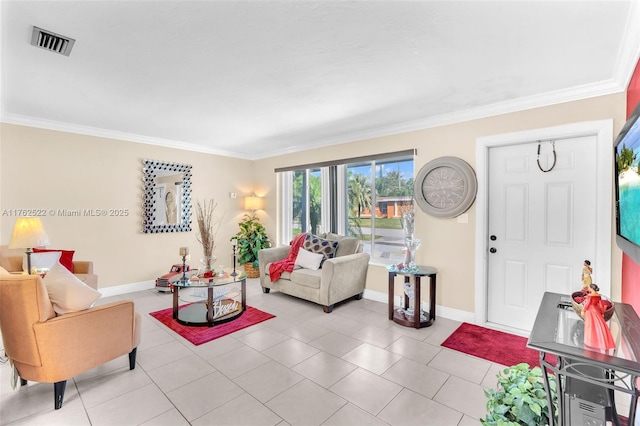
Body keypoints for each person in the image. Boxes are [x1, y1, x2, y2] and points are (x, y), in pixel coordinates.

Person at [581, 283, 615, 350]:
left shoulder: (590, 296)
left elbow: (587, 304)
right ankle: (601, 342)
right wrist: (602, 312)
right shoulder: (598, 295)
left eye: (589, 288)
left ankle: (590, 342)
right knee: (599, 326)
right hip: (596, 310)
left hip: (590, 311)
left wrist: (583, 310)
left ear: (591, 288)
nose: (588, 289)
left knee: (590, 326)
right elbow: (600, 304)